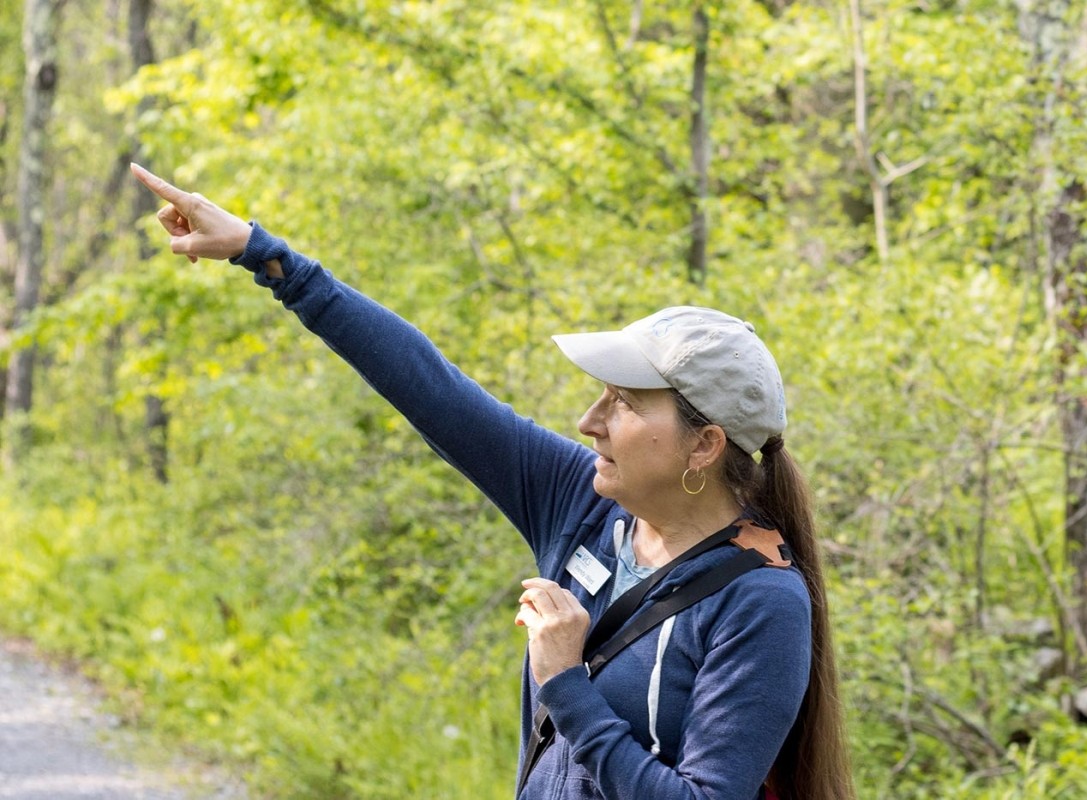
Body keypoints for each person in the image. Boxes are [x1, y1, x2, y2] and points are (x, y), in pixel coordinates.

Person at [130, 163, 855, 800]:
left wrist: (566, 682)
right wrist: (264, 255)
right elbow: (429, 386)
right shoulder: (582, 503)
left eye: (625, 403)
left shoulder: (760, 601)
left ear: (704, 445)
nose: (587, 420)